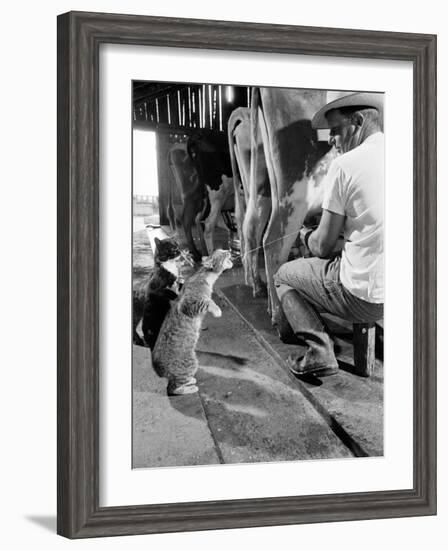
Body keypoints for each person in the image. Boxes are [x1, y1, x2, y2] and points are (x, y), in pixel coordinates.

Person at [273, 92, 384, 377]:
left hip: (365, 297)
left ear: (357, 121)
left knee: (284, 275)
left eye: (335, 130)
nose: (331, 140)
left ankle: (319, 350)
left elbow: (322, 247)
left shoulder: (345, 165)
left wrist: (306, 236)